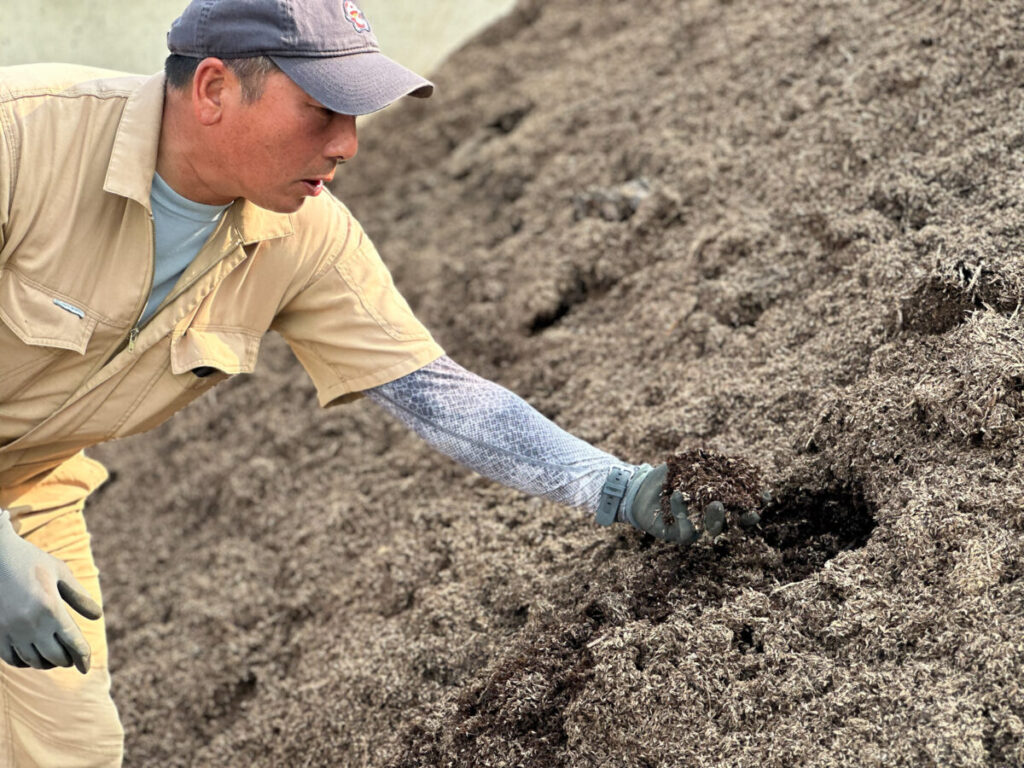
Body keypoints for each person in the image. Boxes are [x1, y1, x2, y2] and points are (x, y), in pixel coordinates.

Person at [0, 0, 757, 764]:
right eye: (323, 109)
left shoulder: (305, 233)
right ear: (213, 89)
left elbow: (437, 393)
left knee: (70, 750)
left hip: (27, 494)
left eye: (356, 115)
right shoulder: (21, 135)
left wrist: (618, 488)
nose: (348, 144)